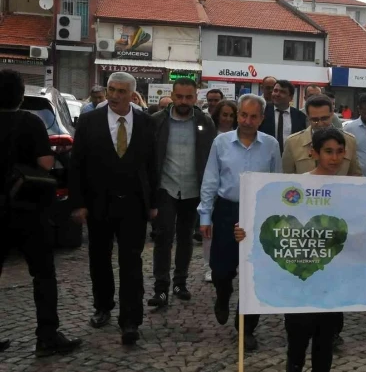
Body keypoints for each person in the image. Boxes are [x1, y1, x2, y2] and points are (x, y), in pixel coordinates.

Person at [69, 72, 159, 346]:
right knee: (99, 258)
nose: (115, 96)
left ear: (132, 95)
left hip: (133, 204)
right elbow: (77, 164)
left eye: (121, 91)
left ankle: (131, 320)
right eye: (111, 90)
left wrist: (153, 203)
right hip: (99, 203)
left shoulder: (145, 122)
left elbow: (153, 165)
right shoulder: (89, 121)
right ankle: (103, 305)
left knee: (131, 262)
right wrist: (78, 203)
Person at [0, 69, 82, 357]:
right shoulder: (30, 122)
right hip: (28, 208)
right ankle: (47, 336)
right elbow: (46, 163)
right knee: (43, 274)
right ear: (21, 95)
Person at [198, 94, 281, 351]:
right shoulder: (221, 142)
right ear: (237, 115)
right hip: (226, 210)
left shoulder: (271, 145)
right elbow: (211, 179)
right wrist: (205, 215)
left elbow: (276, 182)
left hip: (258, 212)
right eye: (243, 115)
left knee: (253, 273)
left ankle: (246, 327)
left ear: (261, 119)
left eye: (253, 116)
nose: (247, 121)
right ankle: (223, 295)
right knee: (221, 270)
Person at [148, 78, 216, 308]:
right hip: (165, 187)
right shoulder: (157, 121)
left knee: (186, 237)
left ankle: (180, 282)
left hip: (193, 188)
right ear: (172, 95)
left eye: (189, 97)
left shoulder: (205, 122)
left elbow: (211, 156)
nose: (184, 101)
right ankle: (160, 288)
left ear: (195, 98)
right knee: (163, 237)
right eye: (180, 97)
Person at [286, 128, 348, 372]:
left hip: (331, 281)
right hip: (300, 280)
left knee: (325, 344)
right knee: (297, 343)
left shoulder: (350, 188)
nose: (334, 158)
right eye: (328, 152)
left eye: (339, 152)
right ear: (314, 153)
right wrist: (244, 231)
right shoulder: (298, 186)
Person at [201, 99, 239, 282]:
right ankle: (208, 265)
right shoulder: (211, 135)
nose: (228, 119)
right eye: (224, 114)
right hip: (211, 185)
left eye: (232, 115)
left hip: (229, 188)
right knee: (208, 230)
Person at [283, 94, 361, 176]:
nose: (320, 124)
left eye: (324, 119)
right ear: (308, 117)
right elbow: (286, 178)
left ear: (332, 115)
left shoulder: (349, 140)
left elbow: (355, 175)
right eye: (315, 120)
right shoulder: (292, 142)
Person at [259, 80, 307, 154]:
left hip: (290, 157)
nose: (277, 94)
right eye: (275, 91)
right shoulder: (262, 112)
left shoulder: (300, 117)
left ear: (291, 97)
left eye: (282, 92)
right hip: (266, 155)